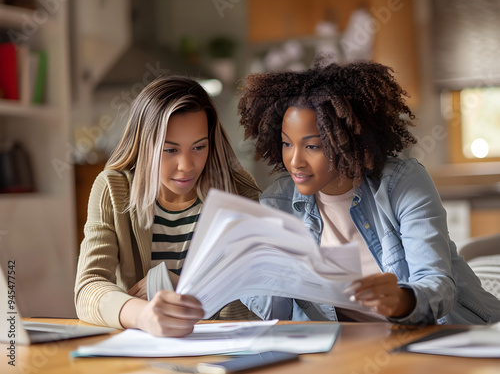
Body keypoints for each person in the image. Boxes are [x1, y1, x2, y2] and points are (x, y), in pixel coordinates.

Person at [237, 60, 500, 325]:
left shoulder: (401, 182)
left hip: (448, 336)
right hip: (352, 351)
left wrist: (400, 300)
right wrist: (243, 270)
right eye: (286, 143)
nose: (294, 161)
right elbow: (276, 313)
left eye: (312, 146)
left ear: (347, 139)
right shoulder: (277, 204)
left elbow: (439, 286)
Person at [75, 75, 260, 337]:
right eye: (170, 150)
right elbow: (88, 289)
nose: (186, 165)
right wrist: (143, 315)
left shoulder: (239, 192)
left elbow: (259, 307)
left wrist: (188, 290)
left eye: (198, 147)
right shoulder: (112, 189)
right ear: (144, 145)